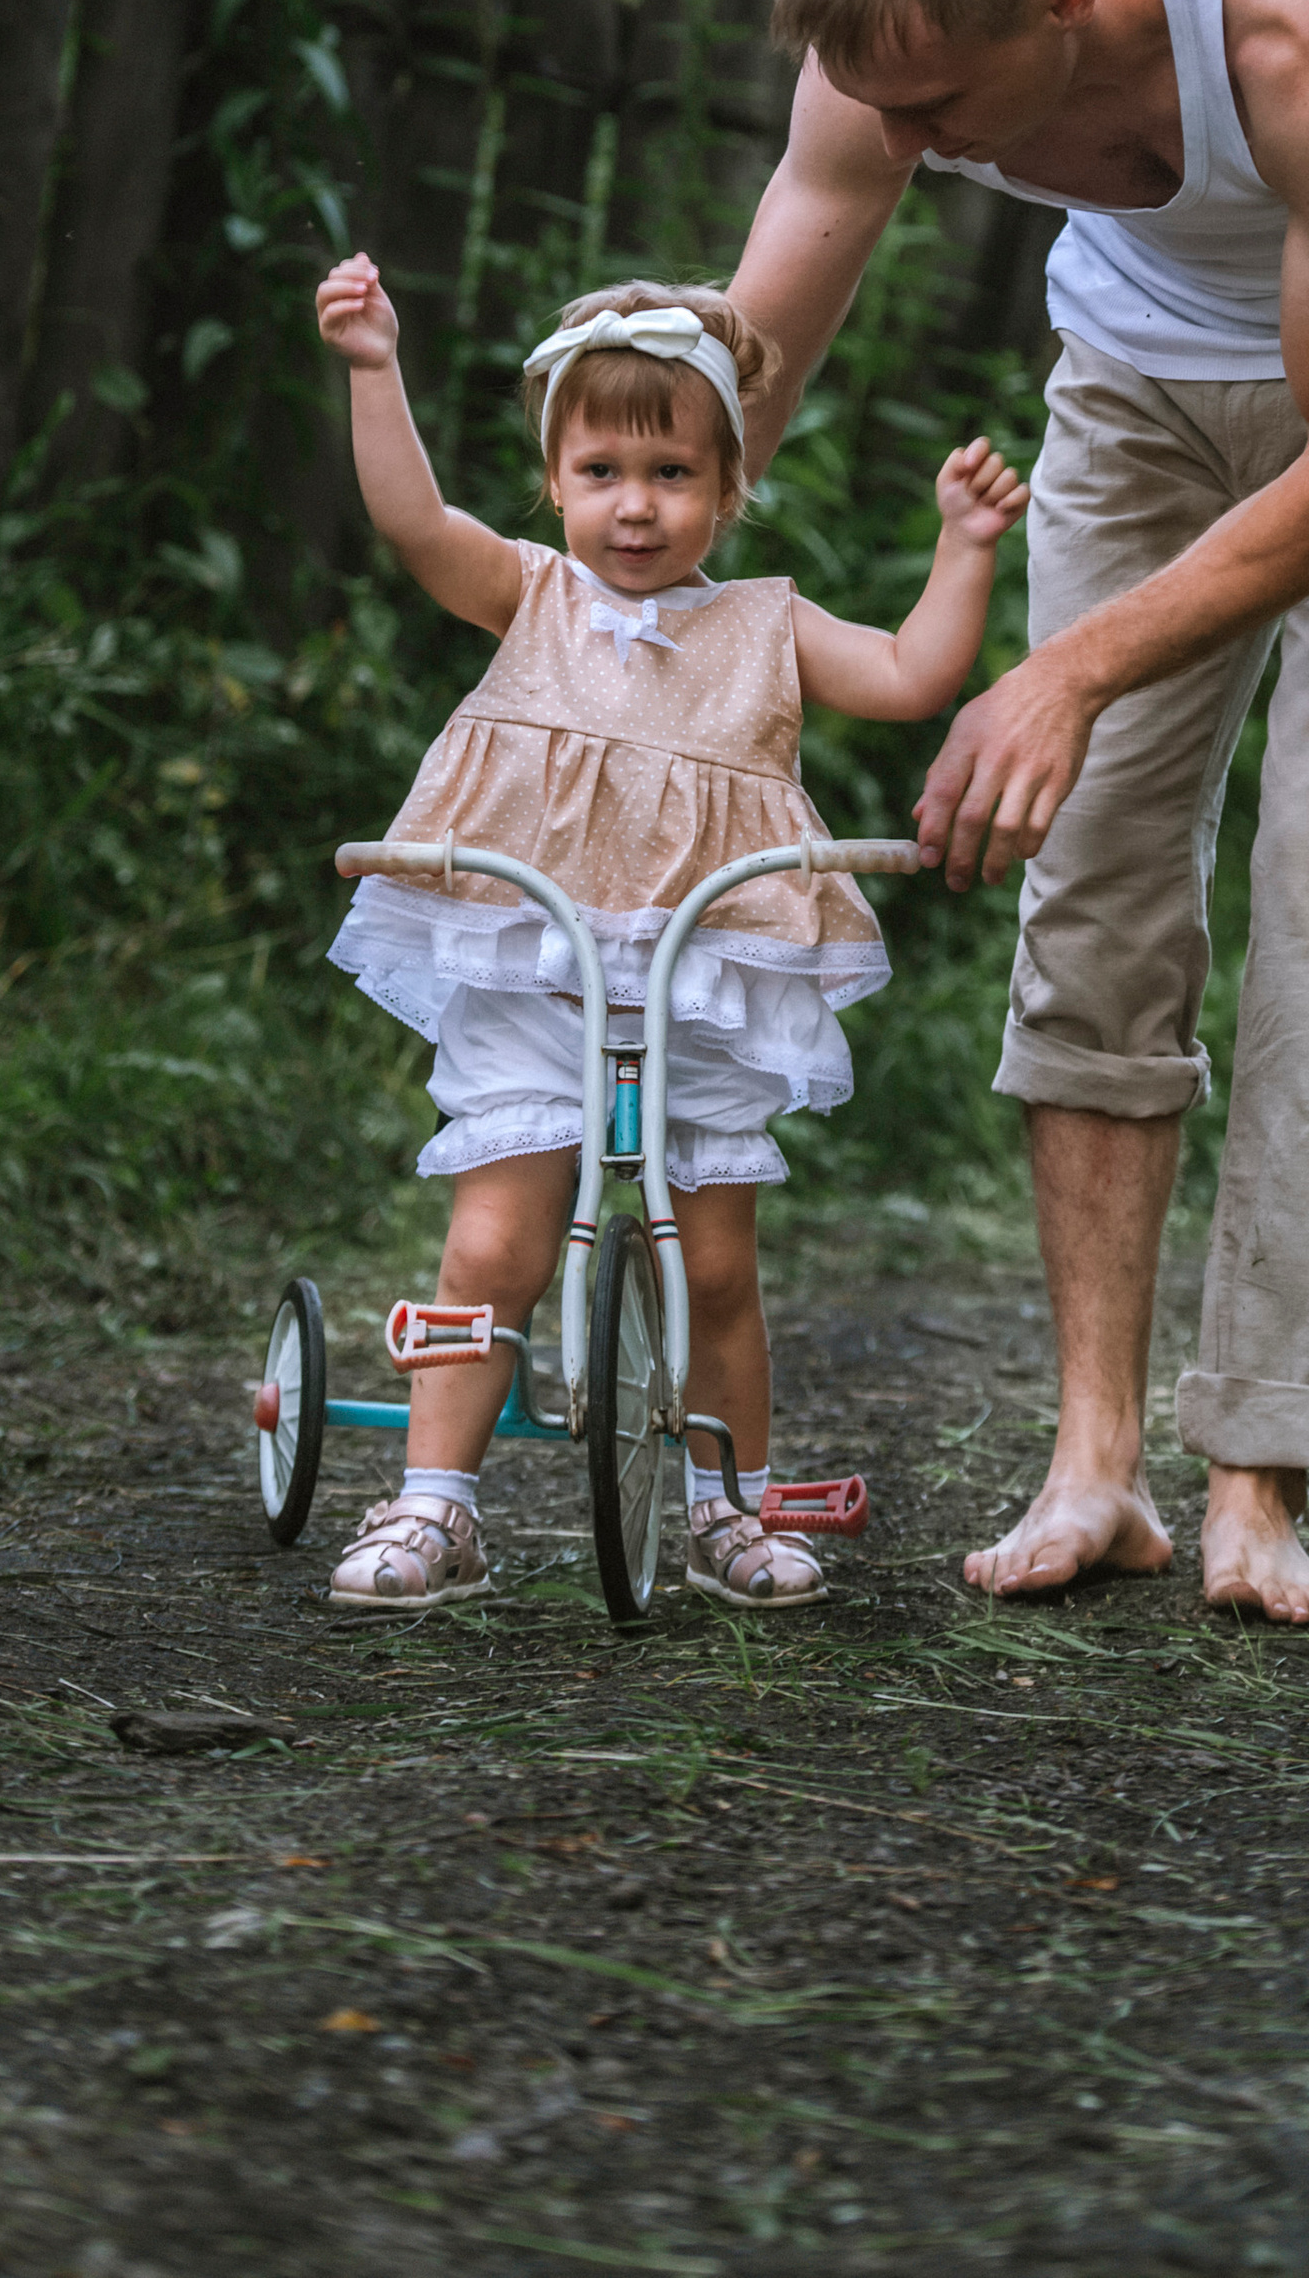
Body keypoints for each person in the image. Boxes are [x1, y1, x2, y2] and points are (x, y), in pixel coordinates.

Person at [727, 0, 1309, 1623]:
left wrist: (1070, 668)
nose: (911, 147)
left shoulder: (1307, 21)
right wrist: (635, 604)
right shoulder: (888, 27)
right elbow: (792, 265)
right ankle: (1093, 1464)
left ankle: (1259, 1475)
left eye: (943, 114)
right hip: (1140, 370)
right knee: (1094, 865)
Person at [312, 257, 1028, 1613]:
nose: (634, 506)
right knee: (494, 1242)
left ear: (728, 485)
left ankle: (722, 1506)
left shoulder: (767, 625)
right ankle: (435, 1504)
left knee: (715, 1265)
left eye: (672, 475)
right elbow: (412, 521)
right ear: (558, 481)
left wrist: (966, 548)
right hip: (538, 969)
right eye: (599, 473)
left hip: (704, 988)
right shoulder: (528, 597)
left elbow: (914, 675)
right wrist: (371, 366)